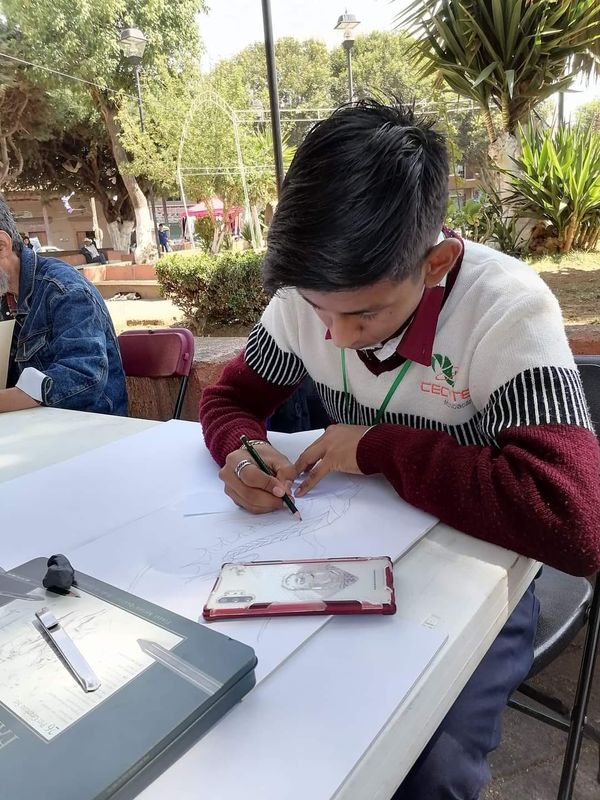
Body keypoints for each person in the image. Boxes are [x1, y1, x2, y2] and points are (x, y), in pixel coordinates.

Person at [199, 100, 600, 799]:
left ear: (437, 261)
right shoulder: (308, 301)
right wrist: (241, 451)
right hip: (346, 561)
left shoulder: (505, 307)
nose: (336, 337)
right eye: (318, 309)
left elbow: (570, 517)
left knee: (427, 766)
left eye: (365, 314)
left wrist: (380, 448)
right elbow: (229, 400)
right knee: (260, 725)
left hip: (484, 580)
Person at [0, 196, 127, 414]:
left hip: (90, 430)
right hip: (30, 427)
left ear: (2, 246)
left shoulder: (65, 290)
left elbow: (84, 376)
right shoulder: (6, 294)